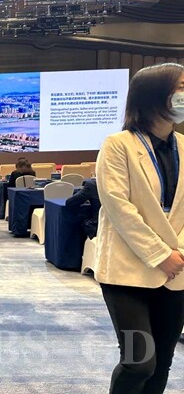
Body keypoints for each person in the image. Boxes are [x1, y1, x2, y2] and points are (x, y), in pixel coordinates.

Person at [95, 62, 184, 394]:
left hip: (176, 271)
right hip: (128, 271)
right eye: (181, 88)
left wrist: (177, 254)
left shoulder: (183, 146)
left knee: (162, 363)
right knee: (139, 362)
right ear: (155, 95)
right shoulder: (118, 145)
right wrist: (161, 254)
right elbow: (119, 208)